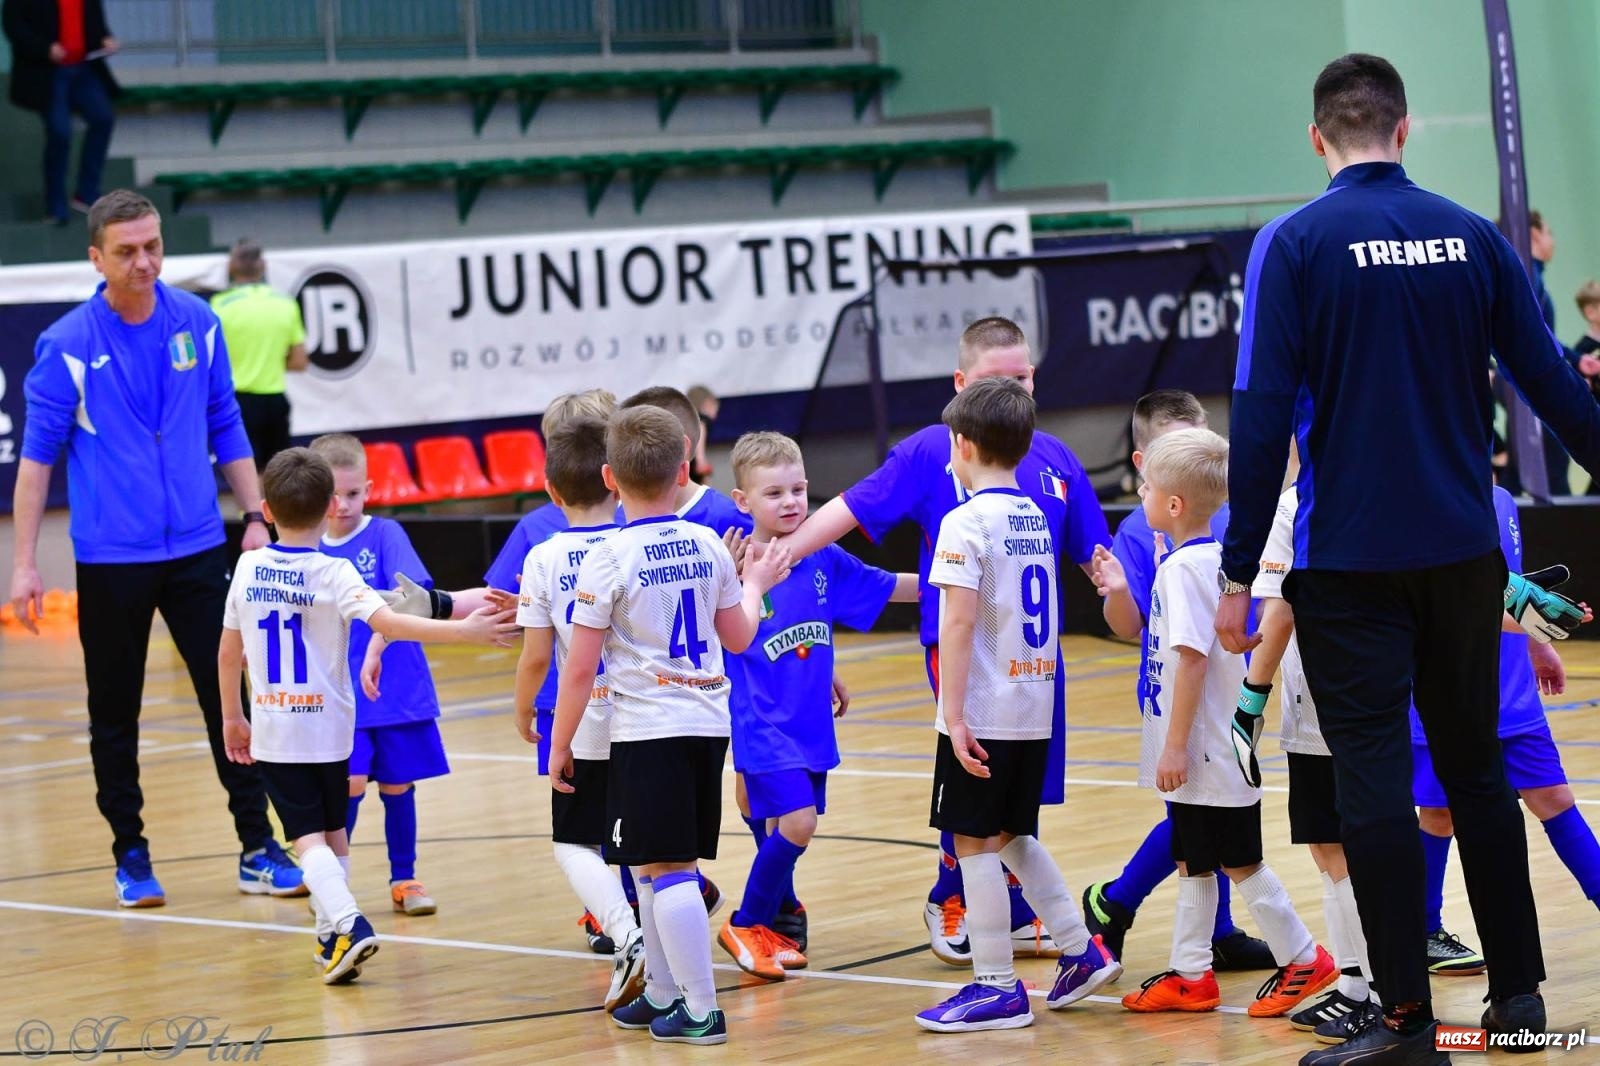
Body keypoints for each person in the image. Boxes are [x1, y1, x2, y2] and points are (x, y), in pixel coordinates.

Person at [1217, 53, 1600, 1063]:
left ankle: (1403, 1025)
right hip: (1463, 553)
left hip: (1348, 561)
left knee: (1377, 783)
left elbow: (1258, 420)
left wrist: (1231, 568)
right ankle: (1517, 998)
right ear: (1404, 128)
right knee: (1476, 771)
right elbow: (1556, 387)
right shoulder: (1474, 237)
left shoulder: (1292, 243)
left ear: (1318, 137)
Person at [783, 316, 1109, 964]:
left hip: (1037, 655)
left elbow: (1096, 555)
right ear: (961, 388)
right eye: (993, 381)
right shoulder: (932, 450)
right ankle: (953, 897)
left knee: (1021, 787)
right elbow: (848, 508)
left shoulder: (1055, 459)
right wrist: (782, 554)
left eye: (1019, 378)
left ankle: (1018, 915)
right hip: (966, 648)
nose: (1009, 393)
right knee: (974, 779)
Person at [10, 190, 303, 906]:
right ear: (96, 258)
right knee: (115, 711)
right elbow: (37, 464)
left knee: (227, 697)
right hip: (111, 560)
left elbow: (225, 422)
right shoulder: (67, 346)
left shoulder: (198, 323)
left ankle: (256, 846)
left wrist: (257, 513)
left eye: (152, 246)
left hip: (200, 549)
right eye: (126, 251)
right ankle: (131, 853)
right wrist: (23, 562)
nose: (143, 262)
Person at [218, 448, 517, 984]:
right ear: (328, 506)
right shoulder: (336, 574)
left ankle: (350, 925)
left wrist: (231, 717)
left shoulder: (249, 566)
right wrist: (464, 631)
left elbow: (225, 652)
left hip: (277, 729)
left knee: (305, 839)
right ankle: (332, 935)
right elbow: (399, 620)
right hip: (332, 730)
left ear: (265, 509)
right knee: (334, 833)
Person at [548, 405, 791, 1046]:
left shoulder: (608, 557)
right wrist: (755, 583)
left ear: (609, 477)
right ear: (684, 468)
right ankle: (660, 991)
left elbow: (577, 671)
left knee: (668, 868)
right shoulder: (710, 543)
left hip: (646, 728)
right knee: (650, 867)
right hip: (705, 724)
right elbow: (739, 637)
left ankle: (702, 1010)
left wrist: (561, 743)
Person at [1095, 428, 1334, 1019]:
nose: (1140, 495)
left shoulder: (1185, 571)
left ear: (1172, 505)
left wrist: (1174, 747)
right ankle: (1191, 972)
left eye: (1146, 486)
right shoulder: (1206, 562)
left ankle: (1303, 956)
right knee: (1193, 857)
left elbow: (1193, 663)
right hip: (1210, 746)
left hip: (1205, 748)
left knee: (1238, 860)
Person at [913, 378, 1119, 1034]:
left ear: (962, 445)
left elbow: (958, 623)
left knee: (973, 839)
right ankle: (1081, 949)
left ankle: (997, 984)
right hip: (1034, 702)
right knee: (1010, 834)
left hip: (986, 706)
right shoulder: (1034, 513)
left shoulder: (964, 521)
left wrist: (953, 714)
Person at [1081, 390, 1272, 972]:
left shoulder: (1228, 516)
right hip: (1177, 690)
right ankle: (1116, 900)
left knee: (1200, 817)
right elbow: (1128, 626)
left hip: (1230, 681)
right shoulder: (1139, 532)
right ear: (1145, 464)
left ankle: (1211, 933)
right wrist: (1115, 593)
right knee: (1193, 815)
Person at [716, 431, 917, 981]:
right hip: (761, 721)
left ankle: (774, 919)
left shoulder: (822, 556)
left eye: (799, 489)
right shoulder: (732, 566)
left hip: (809, 721)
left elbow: (886, 586)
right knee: (799, 824)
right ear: (742, 501)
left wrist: (953, 578)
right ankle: (747, 921)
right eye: (774, 492)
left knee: (780, 821)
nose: (791, 502)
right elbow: (731, 636)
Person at [310, 432, 501, 918]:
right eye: (332, 494)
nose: (342, 504)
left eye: (352, 493)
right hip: (338, 692)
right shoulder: (307, 547)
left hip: (394, 686)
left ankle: (405, 877)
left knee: (397, 786)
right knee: (348, 784)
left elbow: (405, 601)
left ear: (368, 489)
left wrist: (378, 643)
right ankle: (335, 882)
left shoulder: (386, 535)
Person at [1412, 487, 1600, 969]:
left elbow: (1510, 584)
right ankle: (1425, 930)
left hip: (1513, 690)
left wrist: (1540, 642)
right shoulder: (1421, 497)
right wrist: (1545, 624)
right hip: (1446, 687)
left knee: (1555, 798)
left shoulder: (1500, 499)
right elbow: (1447, 601)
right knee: (1439, 815)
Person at [1233, 449, 1379, 1046]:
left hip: (1320, 705)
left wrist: (1251, 698)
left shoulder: (1295, 505)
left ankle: (1368, 990)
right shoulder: (1374, 488)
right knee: (1337, 849)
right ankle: (1355, 986)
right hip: (1379, 695)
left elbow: (1281, 610)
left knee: (1339, 851)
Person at [511, 415, 646, 1013]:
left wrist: (523, 709)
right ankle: (666, 963)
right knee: (642, 843)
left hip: (587, 722)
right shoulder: (635, 544)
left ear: (551, 491)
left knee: (573, 843)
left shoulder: (542, 557)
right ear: (613, 482)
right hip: (647, 717)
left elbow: (539, 654)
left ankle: (625, 932)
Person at [2, 0, 118, 226]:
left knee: (103, 118)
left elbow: (93, 23)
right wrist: (44, 48)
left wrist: (105, 39)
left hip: (83, 68)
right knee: (59, 132)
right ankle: (55, 207)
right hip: (47, 73)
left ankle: (86, 193)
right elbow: (13, 26)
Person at [212, 240, 308, 473]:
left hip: (239, 400)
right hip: (275, 399)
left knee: (246, 469)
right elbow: (299, 361)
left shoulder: (219, 306)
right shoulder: (286, 303)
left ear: (231, 266)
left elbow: (211, 361)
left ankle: (252, 511)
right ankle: (276, 511)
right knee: (278, 471)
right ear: (263, 265)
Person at [686, 384, 719, 484]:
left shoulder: (689, 419)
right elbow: (700, 433)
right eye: (716, 406)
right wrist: (701, 461)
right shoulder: (702, 419)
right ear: (707, 403)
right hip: (693, 462)